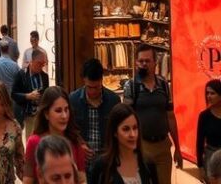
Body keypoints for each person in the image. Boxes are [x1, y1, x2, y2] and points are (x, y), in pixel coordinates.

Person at [122, 44, 181, 184]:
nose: (144, 64)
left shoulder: (163, 85)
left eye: (147, 61)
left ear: (155, 63)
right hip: (142, 145)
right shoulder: (131, 86)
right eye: (141, 61)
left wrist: (178, 148)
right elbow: (126, 119)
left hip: (163, 145)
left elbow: (170, 116)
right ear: (136, 63)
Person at [24, 86, 88, 184]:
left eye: (66, 109)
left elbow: (82, 180)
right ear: (46, 114)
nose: (64, 116)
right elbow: (27, 180)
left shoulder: (74, 140)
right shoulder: (34, 142)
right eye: (58, 111)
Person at [70, 58, 119, 177]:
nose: (92, 91)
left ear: (102, 80)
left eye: (96, 87)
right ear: (84, 81)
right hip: (82, 162)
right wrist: (79, 145)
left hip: (107, 162)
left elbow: (117, 131)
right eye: (89, 87)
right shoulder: (73, 100)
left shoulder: (113, 101)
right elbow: (69, 129)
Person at [89, 103, 157, 184]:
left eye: (135, 128)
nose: (132, 134)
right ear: (115, 132)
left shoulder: (148, 163)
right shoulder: (101, 167)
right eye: (126, 129)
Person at [13, 48, 50, 136]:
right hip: (27, 115)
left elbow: (46, 95)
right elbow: (13, 94)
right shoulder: (21, 75)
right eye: (39, 63)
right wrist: (27, 96)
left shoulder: (44, 76)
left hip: (41, 115)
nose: (41, 66)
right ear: (32, 61)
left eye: (43, 64)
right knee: (31, 138)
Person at [197, 79, 221, 182]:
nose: (209, 96)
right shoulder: (204, 116)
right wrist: (200, 166)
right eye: (207, 93)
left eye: (212, 93)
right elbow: (200, 142)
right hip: (211, 157)